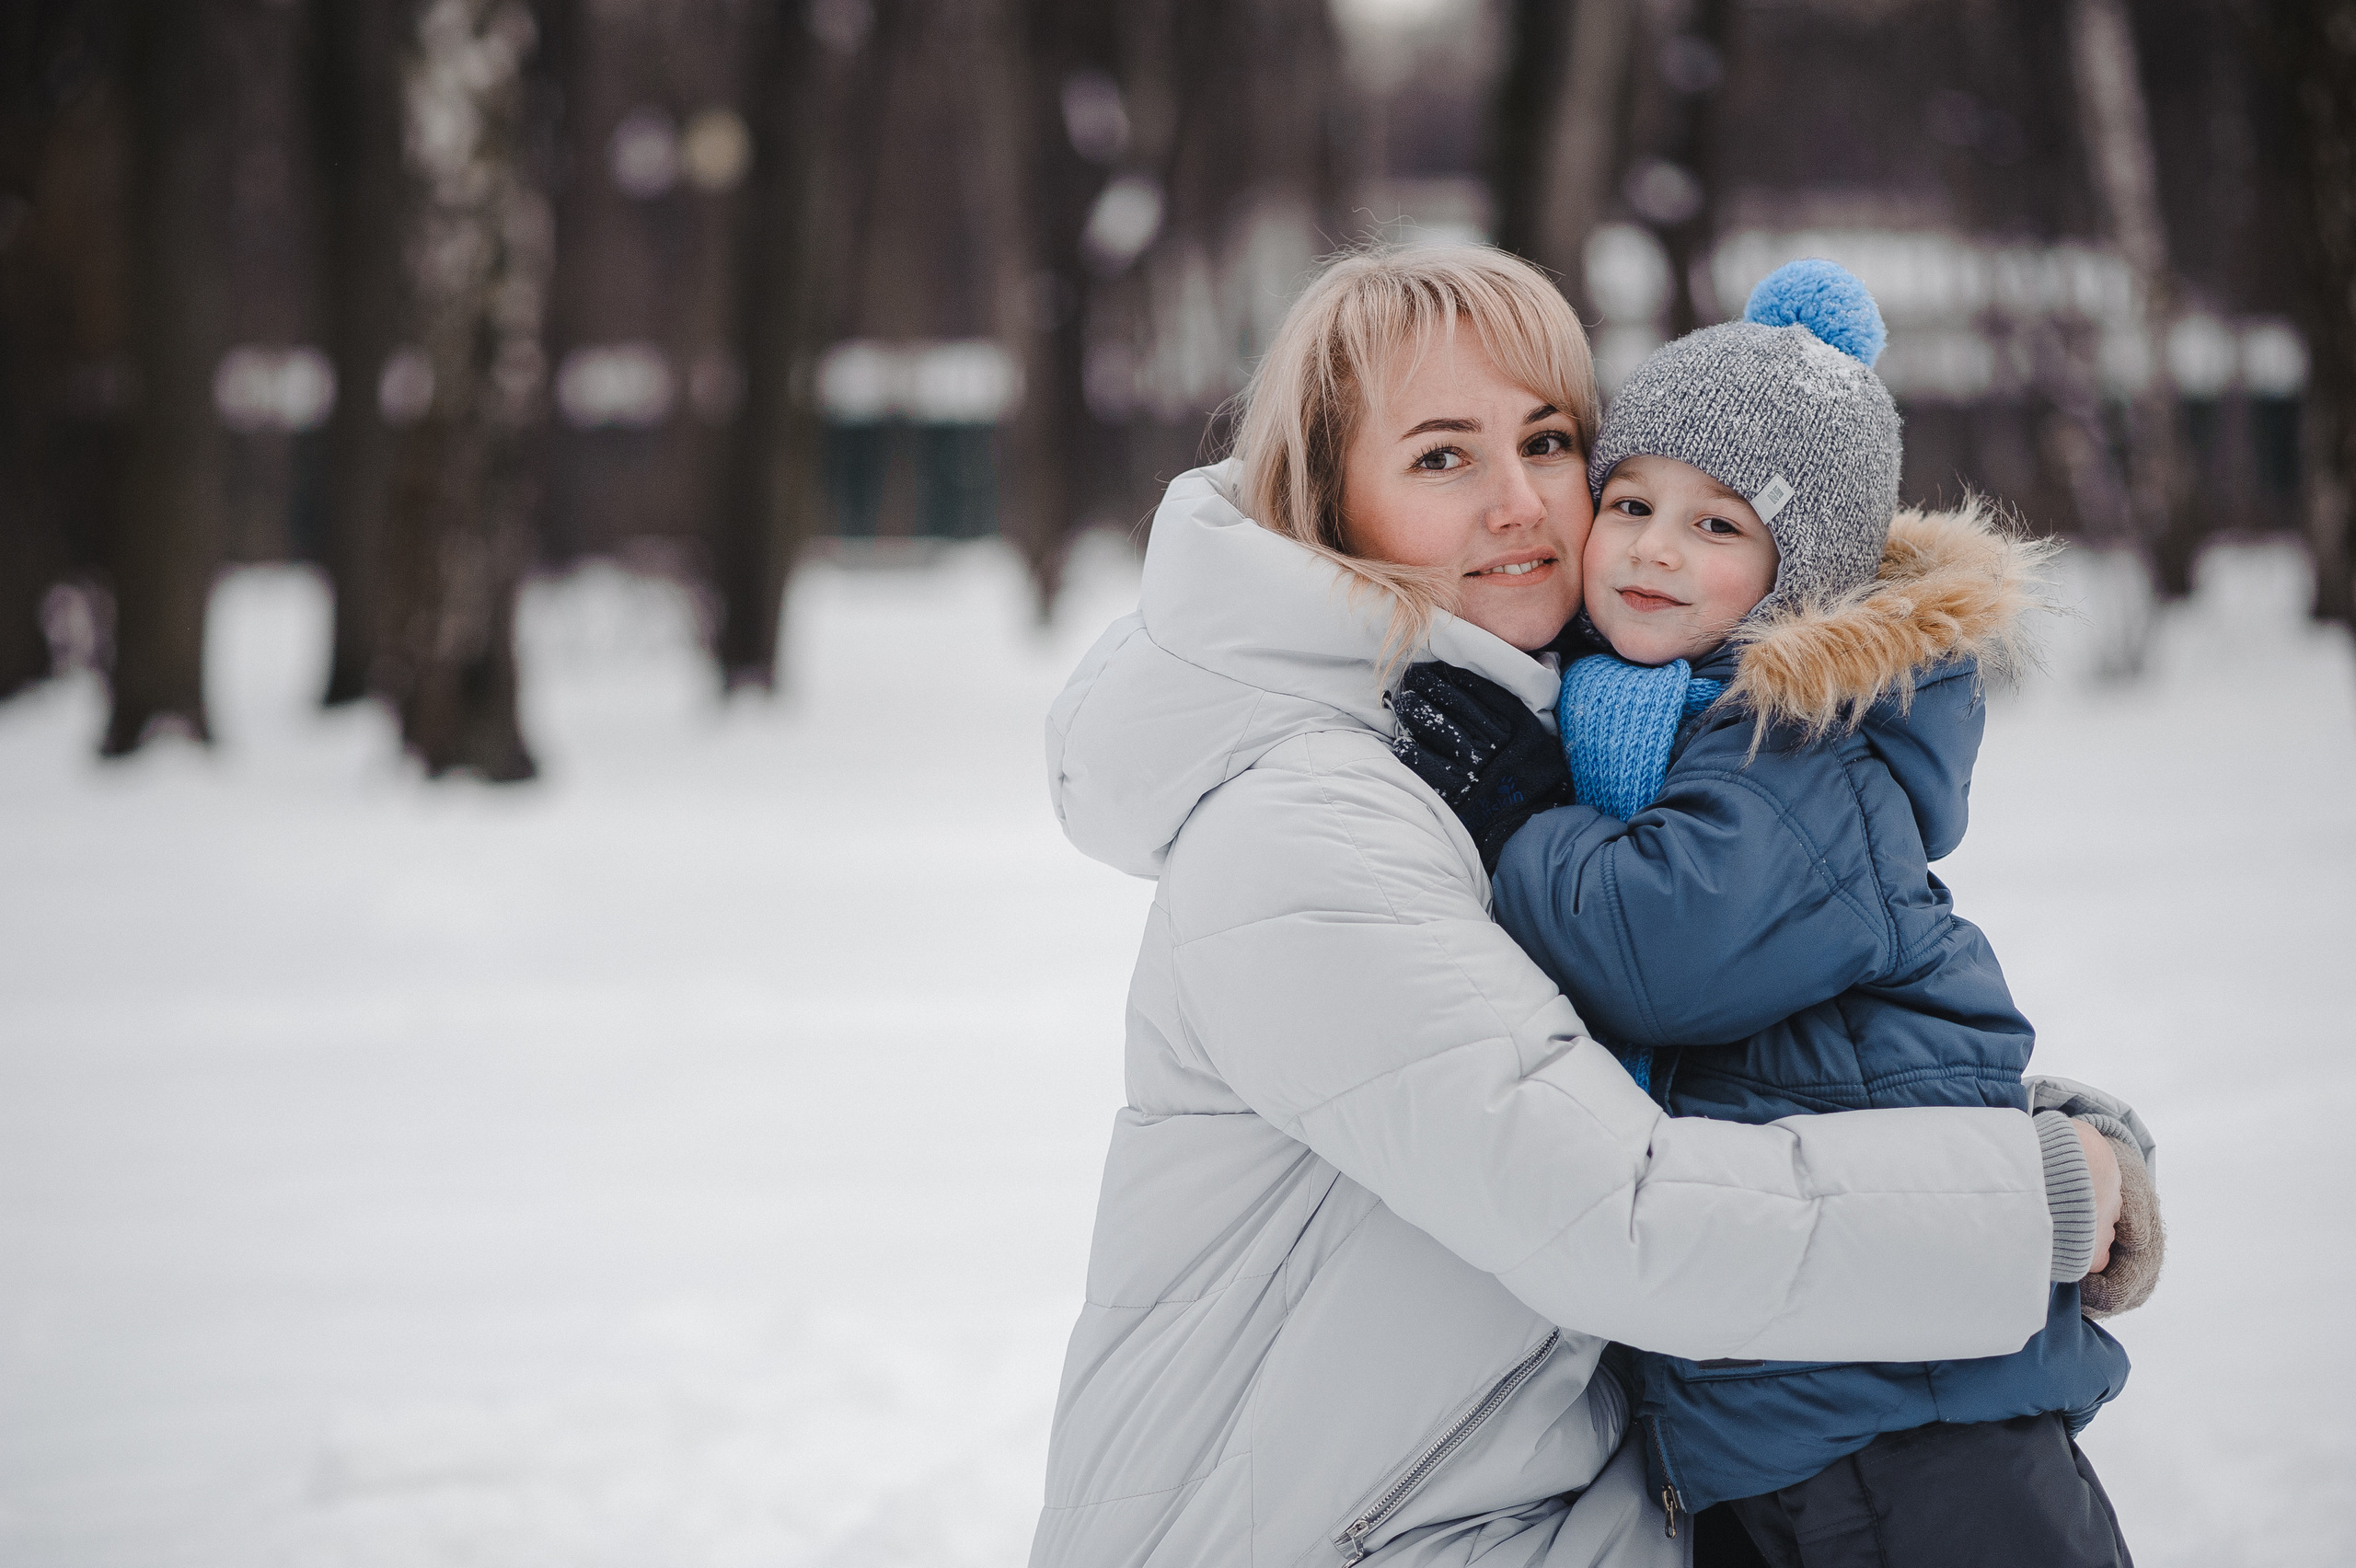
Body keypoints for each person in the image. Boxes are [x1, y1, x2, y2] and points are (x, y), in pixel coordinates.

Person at [1034, 243, 2152, 1568]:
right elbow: (1619, 1212)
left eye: (1549, 441)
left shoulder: (1550, 744)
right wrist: (2036, 1196)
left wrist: (1993, 1116)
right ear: (1329, 507)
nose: (1520, 505)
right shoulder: (1309, 829)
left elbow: (1695, 1065)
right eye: (1443, 458)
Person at [1391, 259, 2164, 1568]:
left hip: (1912, 1418)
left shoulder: (1812, 744)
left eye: (1717, 526)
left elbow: (1661, 952)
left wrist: (1522, 818)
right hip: (1784, 1404)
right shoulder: (1660, 722)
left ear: (1797, 578)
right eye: (1631, 501)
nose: (1650, 547)